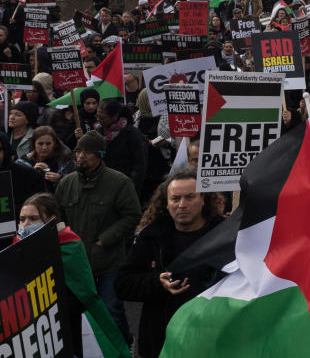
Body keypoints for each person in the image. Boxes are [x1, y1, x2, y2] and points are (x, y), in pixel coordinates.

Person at [115, 172, 225, 358]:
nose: (182, 204)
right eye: (175, 198)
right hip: (163, 341)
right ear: (166, 203)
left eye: (190, 197)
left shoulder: (225, 236)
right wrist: (156, 282)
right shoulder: (151, 237)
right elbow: (123, 285)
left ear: (203, 199)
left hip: (212, 338)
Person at [15, 193, 131, 358]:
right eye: (22, 219)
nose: (26, 224)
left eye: (33, 219)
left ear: (51, 220)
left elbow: (83, 296)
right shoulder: (15, 252)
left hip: (68, 327)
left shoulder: (69, 247)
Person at [56, 131, 142, 345]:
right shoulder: (66, 184)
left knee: (110, 309)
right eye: (78, 151)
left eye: (87, 152)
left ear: (100, 155)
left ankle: (122, 346)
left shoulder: (119, 182)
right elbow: (58, 218)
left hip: (108, 260)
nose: (81, 156)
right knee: (77, 312)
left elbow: (132, 215)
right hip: (76, 263)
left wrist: (105, 239)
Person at [96, 98, 148, 194]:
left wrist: (131, 187)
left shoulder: (132, 134)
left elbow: (140, 165)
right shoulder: (99, 132)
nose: (99, 121)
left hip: (125, 187)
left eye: (103, 118)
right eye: (97, 117)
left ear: (115, 117)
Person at [20, 126, 75, 192]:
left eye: (48, 144)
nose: (44, 148)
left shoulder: (64, 161)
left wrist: (60, 179)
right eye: (40, 144)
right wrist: (33, 173)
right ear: (34, 144)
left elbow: (74, 184)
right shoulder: (23, 162)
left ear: (55, 144)